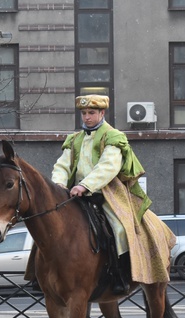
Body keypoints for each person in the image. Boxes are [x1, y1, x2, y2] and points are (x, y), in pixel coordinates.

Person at [51, 94, 176, 291]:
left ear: (102, 113)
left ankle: (119, 275)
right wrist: (58, 185)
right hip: (76, 195)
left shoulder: (113, 136)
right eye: (84, 113)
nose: (87, 117)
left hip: (107, 193)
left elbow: (108, 167)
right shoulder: (74, 140)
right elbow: (62, 165)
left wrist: (85, 185)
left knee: (119, 228)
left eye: (91, 113)